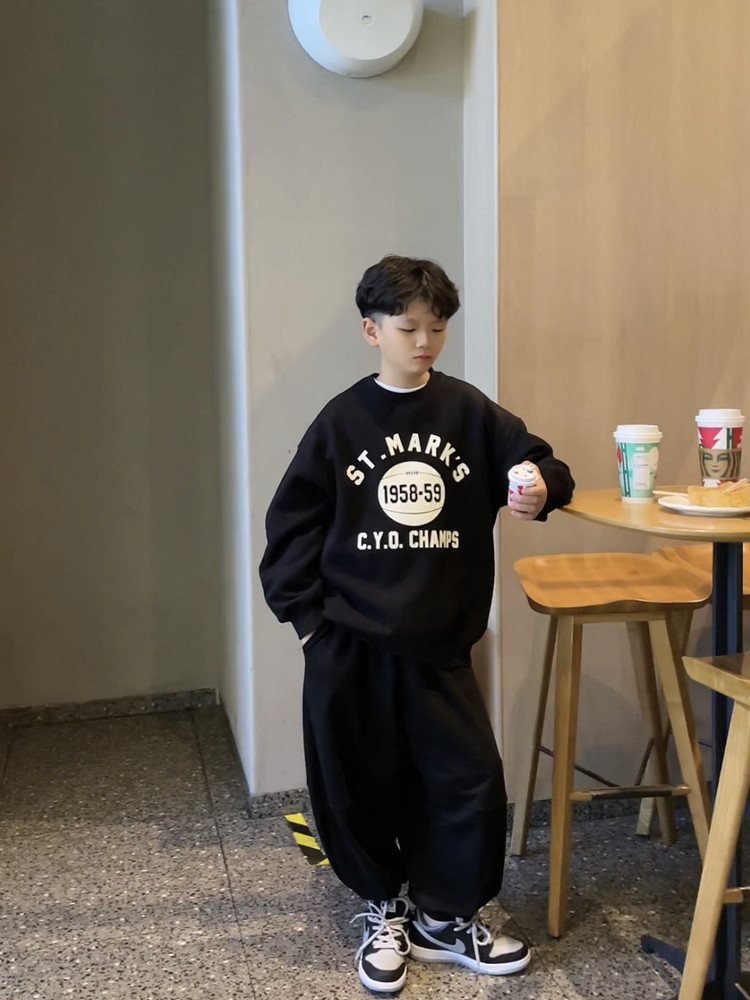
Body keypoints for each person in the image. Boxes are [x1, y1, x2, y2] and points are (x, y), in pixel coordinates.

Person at [259, 254, 575, 994]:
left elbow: (541, 465)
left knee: (465, 783)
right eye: (408, 329)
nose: (424, 342)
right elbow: (291, 526)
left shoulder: (468, 413)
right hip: (349, 644)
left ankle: (447, 918)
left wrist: (538, 487)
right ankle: (385, 910)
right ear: (372, 331)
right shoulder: (342, 422)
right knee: (358, 784)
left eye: (437, 328)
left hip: (439, 644)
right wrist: (309, 625)